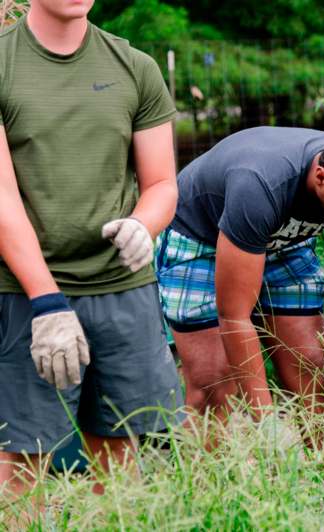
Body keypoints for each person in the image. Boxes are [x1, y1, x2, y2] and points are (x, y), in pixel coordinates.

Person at [0, 0, 183, 496]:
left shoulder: (135, 66)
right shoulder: (4, 64)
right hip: (26, 294)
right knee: (23, 459)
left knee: (120, 449)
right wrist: (46, 300)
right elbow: (1, 198)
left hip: (123, 288)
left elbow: (163, 182)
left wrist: (143, 226)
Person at [155, 127, 324, 441]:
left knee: (313, 369)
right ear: (320, 176)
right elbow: (234, 315)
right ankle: (210, 485)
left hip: (279, 240)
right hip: (201, 237)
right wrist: (265, 421)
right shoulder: (260, 184)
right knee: (213, 384)